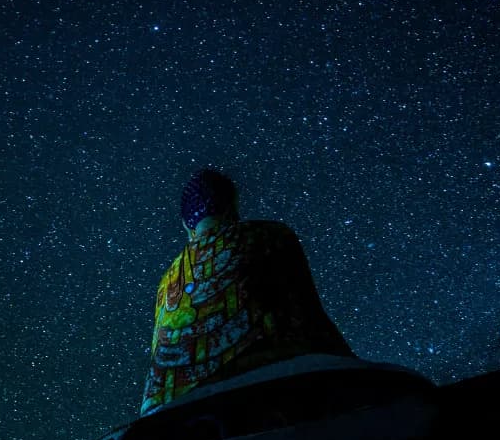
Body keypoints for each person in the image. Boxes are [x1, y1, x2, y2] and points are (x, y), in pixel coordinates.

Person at [141, 168, 354, 416]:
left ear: (186, 225)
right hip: (272, 374)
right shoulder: (269, 235)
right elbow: (307, 314)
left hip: (171, 399)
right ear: (232, 205)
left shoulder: (167, 278)